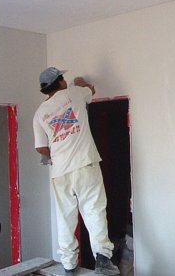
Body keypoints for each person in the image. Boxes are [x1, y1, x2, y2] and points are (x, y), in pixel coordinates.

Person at [33, 67, 120, 275]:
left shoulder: (39, 114)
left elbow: (40, 148)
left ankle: (69, 264)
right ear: (60, 81)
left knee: (64, 217)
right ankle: (102, 259)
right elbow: (91, 89)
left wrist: (59, 152)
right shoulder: (74, 93)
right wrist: (80, 81)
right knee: (94, 209)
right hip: (85, 164)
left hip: (60, 173)